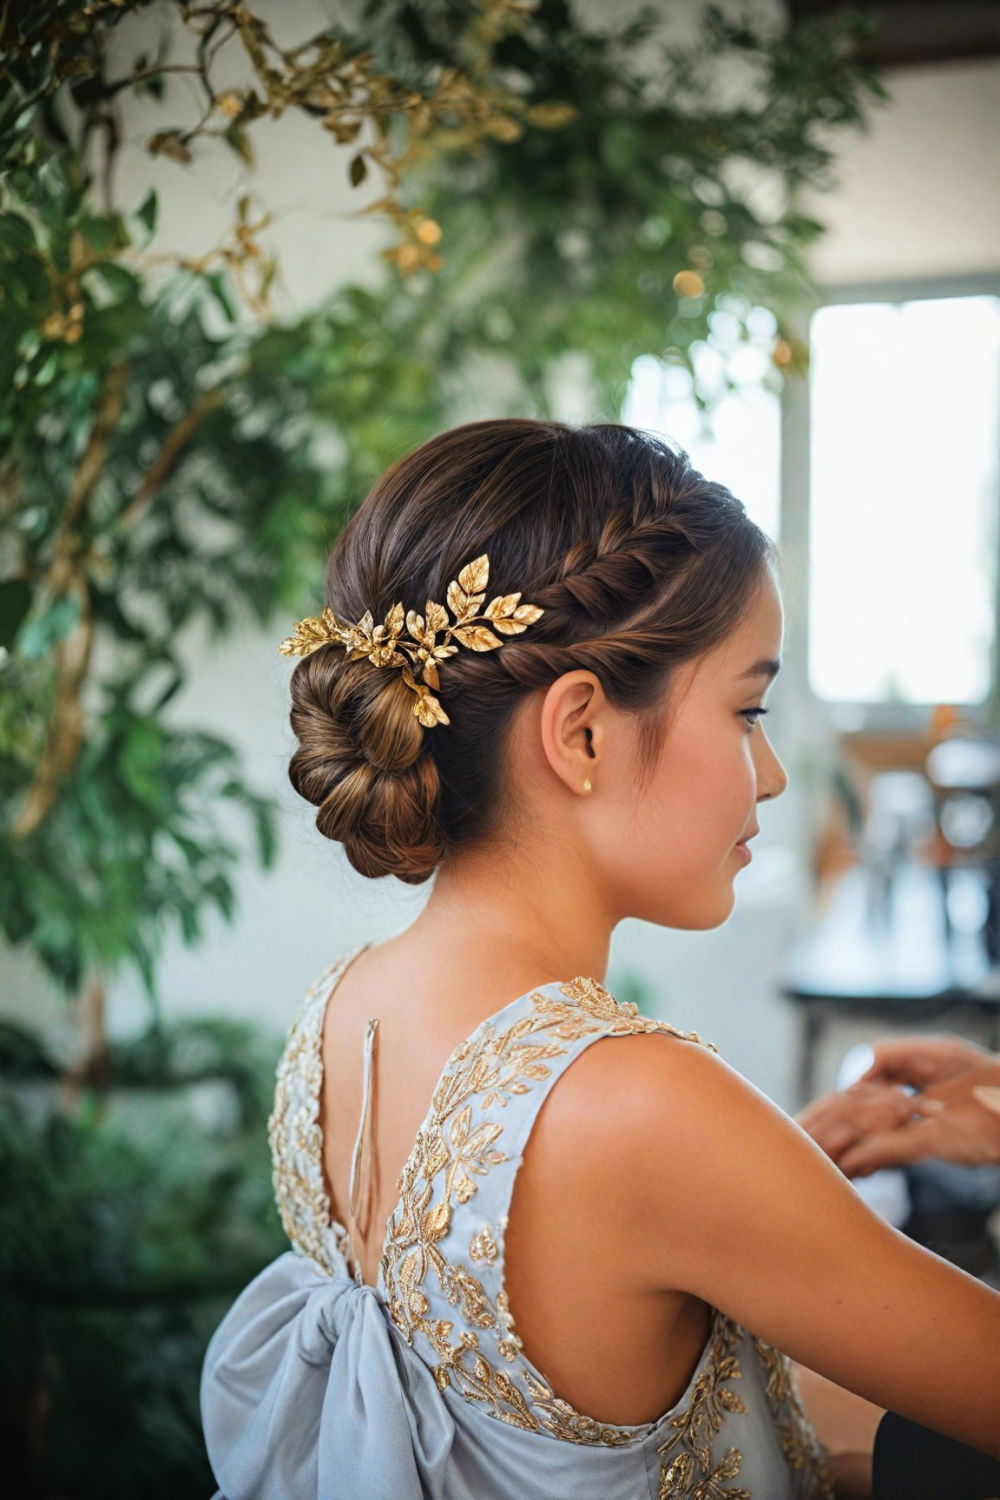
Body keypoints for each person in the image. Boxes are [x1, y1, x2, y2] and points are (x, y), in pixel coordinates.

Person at [199, 419, 1000, 1500]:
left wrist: (774, 1189)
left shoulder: (345, 1011)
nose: (766, 776)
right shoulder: (644, 1108)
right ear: (580, 733)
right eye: (745, 710)